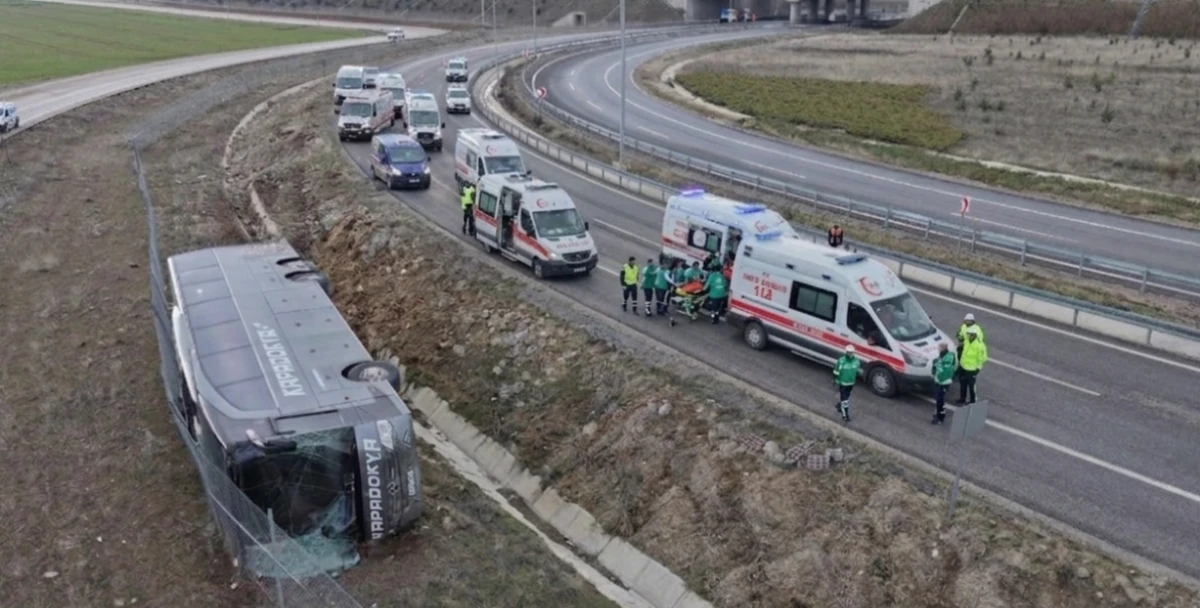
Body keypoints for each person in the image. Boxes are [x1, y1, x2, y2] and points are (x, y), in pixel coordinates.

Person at [956, 326, 988, 405]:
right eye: (968, 334)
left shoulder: (980, 345)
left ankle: (973, 400)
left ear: (974, 335)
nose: (969, 335)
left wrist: (978, 368)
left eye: (970, 334)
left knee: (971, 386)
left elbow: (983, 358)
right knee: (962, 384)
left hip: (972, 369)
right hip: (963, 366)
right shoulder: (967, 341)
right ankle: (962, 399)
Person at [931, 342, 957, 424]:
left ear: (942, 348)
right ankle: (938, 414)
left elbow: (942, 370)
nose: (938, 349)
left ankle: (940, 418)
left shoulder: (946, 359)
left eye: (939, 347)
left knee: (940, 400)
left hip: (943, 382)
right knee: (938, 399)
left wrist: (935, 370)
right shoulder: (944, 356)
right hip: (940, 381)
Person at [833, 345, 859, 423]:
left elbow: (857, 371)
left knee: (846, 397)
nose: (849, 354)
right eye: (848, 352)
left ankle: (840, 406)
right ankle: (845, 415)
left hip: (851, 383)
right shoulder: (841, 361)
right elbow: (836, 371)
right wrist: (835, 380)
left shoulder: (856, 361)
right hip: (843, 383)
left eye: (851, 352)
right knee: (845, 399)